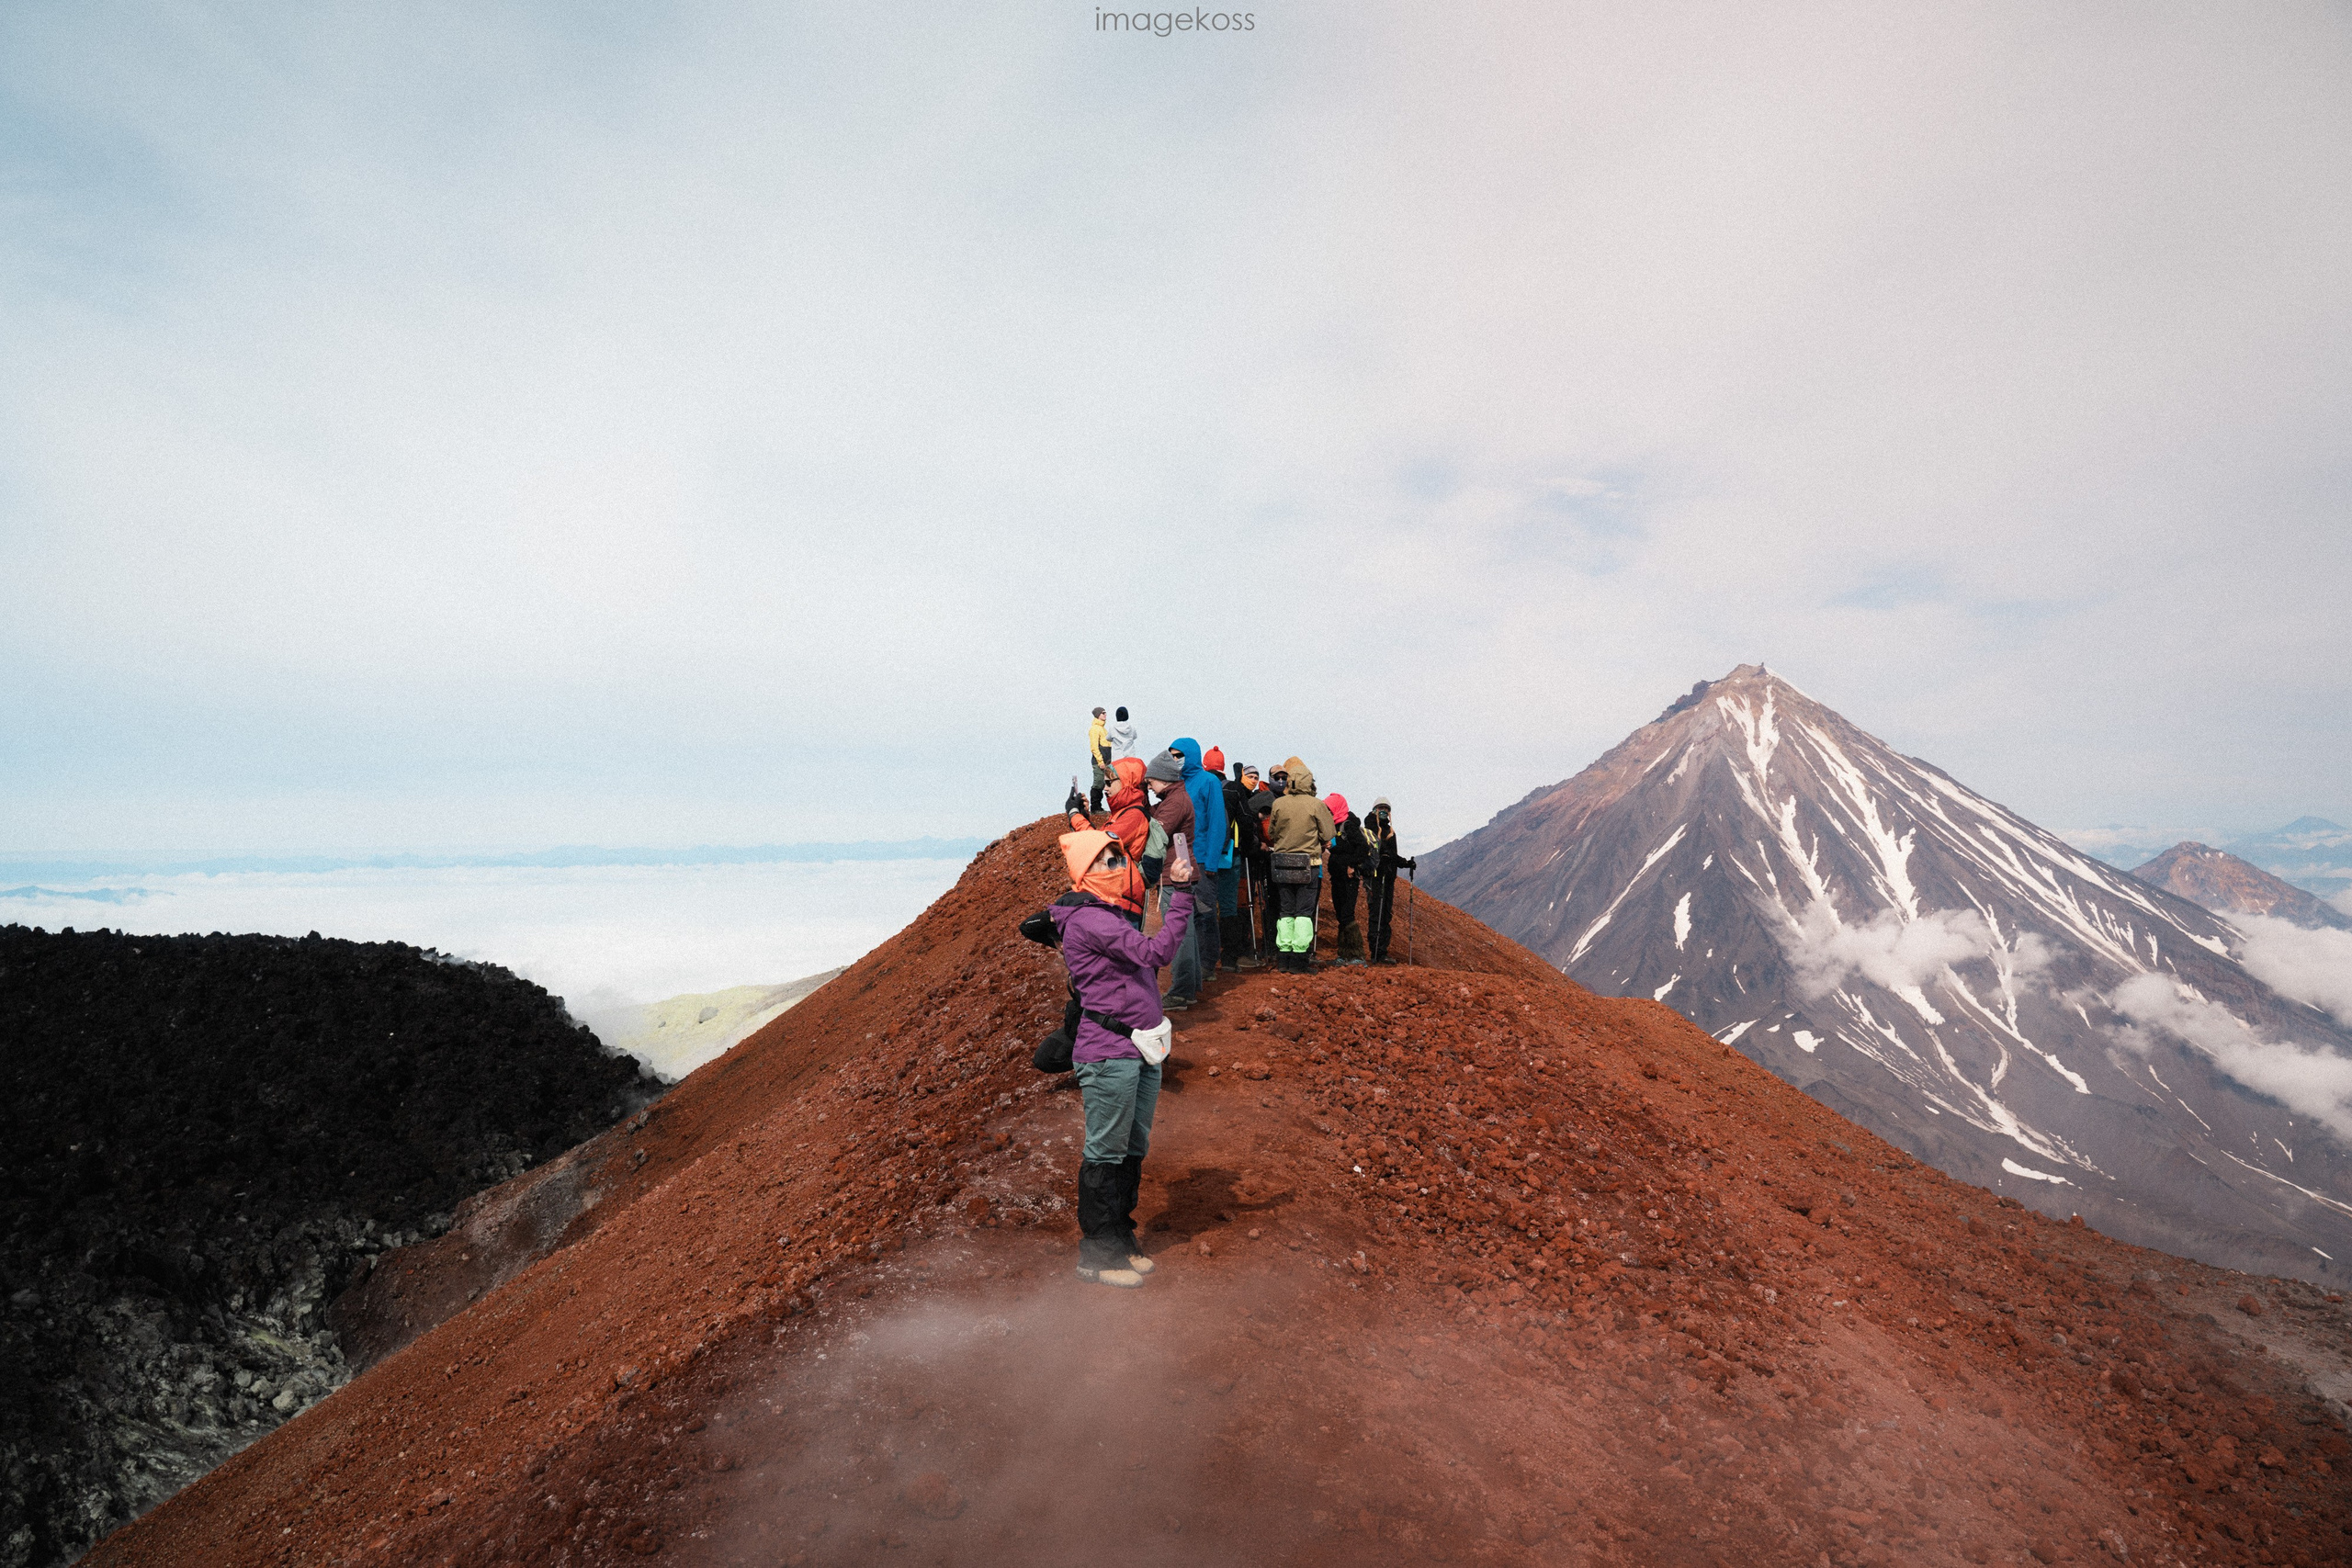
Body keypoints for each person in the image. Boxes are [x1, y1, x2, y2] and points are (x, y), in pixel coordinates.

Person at [1048, 828, 1193, 1288]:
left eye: (1118, 858)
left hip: (1138, 1048)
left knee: (1131, 1148)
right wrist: (1183, 893)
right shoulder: (1094, 920)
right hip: (1109, 1052)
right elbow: (1158, 951)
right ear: (1084, 874)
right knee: (1106, 1152)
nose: (1118, 867)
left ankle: (1120, 1238)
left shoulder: (1108, 913)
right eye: (1106, 862)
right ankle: (1096, 1254)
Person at [1264, 755, 1335, 972]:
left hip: (1282, 865)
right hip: (1309, 865)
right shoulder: (1316, 805)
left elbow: (1272, 833)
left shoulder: (1279, 803)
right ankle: (1299, 961)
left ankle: (1283, 959)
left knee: (1285, 911)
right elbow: (1329, 834)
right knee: (1303, 912)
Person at [1143, 750, 1202, 1007]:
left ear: (1164, 779)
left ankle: (1181, 991)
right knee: (1187, 929)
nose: (1148, 785)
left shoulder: (1176, 802)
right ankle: (1190, 986)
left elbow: (1158, 832)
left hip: (1174, 872)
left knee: (1180, 932)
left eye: (1151, 780)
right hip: (1180, 868)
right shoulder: (1174, 798)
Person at [1170, 738, 1227, 987]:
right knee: (1184, 915)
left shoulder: (1209, 782)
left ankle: (1207, 964)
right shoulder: (1176, 784)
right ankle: (1190, 967)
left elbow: (1217, 823)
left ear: (1191, 755)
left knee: (1204, 914)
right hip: (1181, 861)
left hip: (1203, 861)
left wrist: (1212, 863)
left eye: (1179, 755)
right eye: (1171, 755)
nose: (1175, 760)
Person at [1220, 760, 1263, 971]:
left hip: (1205, 853)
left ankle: (1207, 957)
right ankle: (1230, 957)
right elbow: (1245, 822)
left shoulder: (1210, 785)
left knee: (1208, 904)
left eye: (1256, 777)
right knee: (1231, 905)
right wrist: (1254, 846)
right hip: (1232, 853)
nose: (1253, 781)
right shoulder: (1236, 790)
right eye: (1250, 776)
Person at [1364, 797, 1418, 964]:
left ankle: (1382, 952)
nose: (1384, 811)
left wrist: (1405, 863)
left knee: (1385, 914)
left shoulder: (1389, 830)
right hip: (1376, 877)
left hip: (1388, 878)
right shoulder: (1370, 827)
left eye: (1386, 809)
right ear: (1374, 810)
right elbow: (1374, 850)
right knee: (1377, 913)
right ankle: (1376, 952)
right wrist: (1384, 857)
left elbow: (1391, 855)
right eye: (1381, 808)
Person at [1325, 793, 1370, 964]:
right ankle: (1344, 955)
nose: (1328, 812)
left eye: (1330, 809)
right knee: (1341, 914)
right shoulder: (1334, 826)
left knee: (1347, 914)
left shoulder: (1348, 826)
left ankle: (1357, 955)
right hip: (1337, 876)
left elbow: (1362, 847)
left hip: (1349, 877)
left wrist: (1352, 864)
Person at [1086, 708, 1113, 815]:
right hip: (1100, 763)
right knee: (1098, 783)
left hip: (1108, 762)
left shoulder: (1103, 729)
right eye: (1103, 713)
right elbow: (1094, 747)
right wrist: (1100, 761)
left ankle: (1099, 808)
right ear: (1098, 715)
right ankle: (1095, 808)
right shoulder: (1095, 729)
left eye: (1105, 712)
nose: (1105, 714)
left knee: (1108, 784)